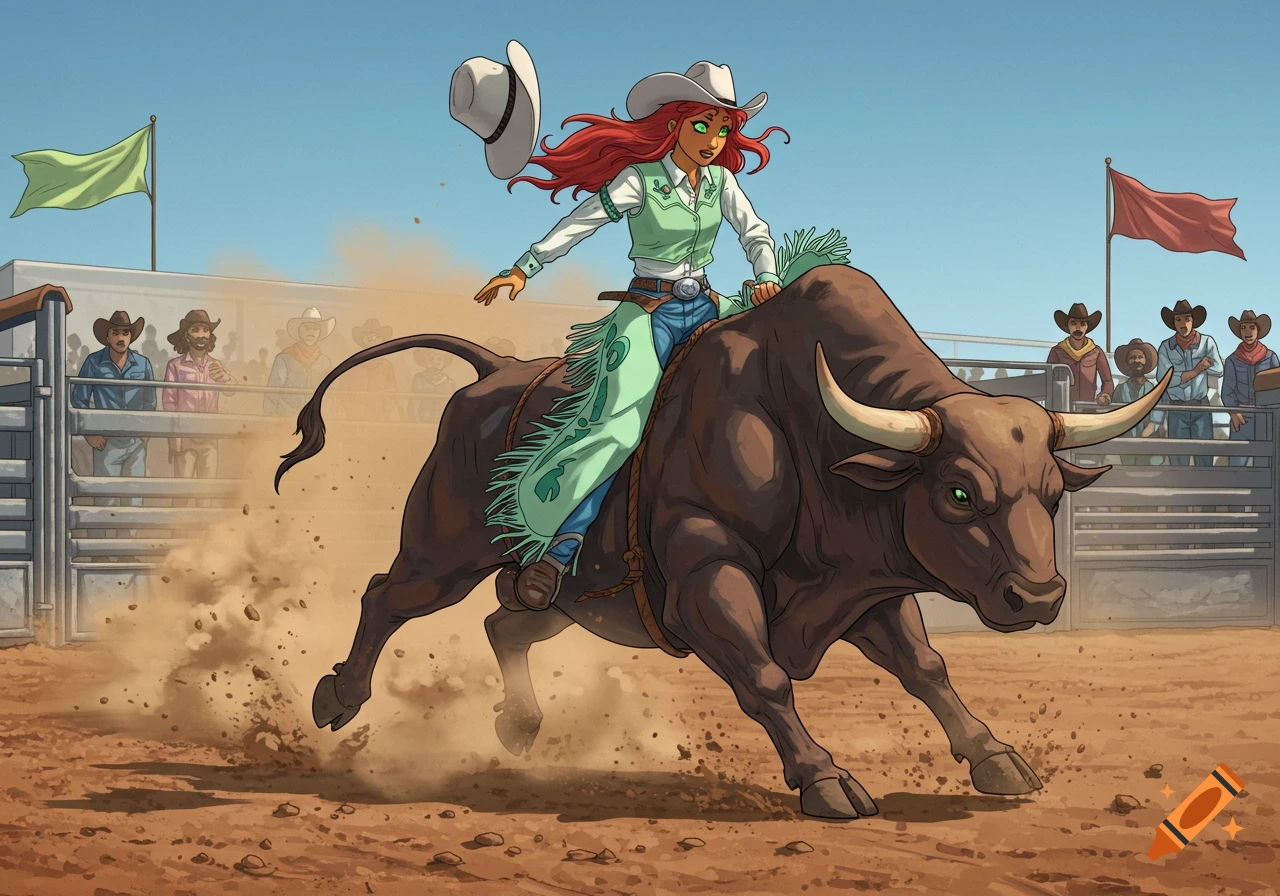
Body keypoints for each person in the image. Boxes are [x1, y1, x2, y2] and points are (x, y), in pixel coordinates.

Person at [473, 60, 842, 612]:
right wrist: (524, 267)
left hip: (712, 306)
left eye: (723, 128)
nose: (714, 140)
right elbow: (582, 222)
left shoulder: (722, 182)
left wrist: (765, 274)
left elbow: (756, 232)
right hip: (649, 314)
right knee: (620, 427)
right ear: (674, 123)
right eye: (703, 125)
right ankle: (560, 546)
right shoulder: (639, 180)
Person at [71, 311, 156, 549]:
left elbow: (150, 401)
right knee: (105, 499)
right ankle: (100, 550)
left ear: (131, 336)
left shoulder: (143, 363)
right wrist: (90, 433)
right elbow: (78, 398)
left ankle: (127, 549)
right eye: (116, 332)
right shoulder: (93, 362)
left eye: (125, 332)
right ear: (107, 336)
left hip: (135, 442)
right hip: (105, 442)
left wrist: (145, 433)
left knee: (133, 498)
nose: (121, 337)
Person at [163, 310, 236, 481]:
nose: (202, 335)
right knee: (182, 490)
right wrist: (174, 438)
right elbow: (169, 404)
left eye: (205, 330)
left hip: (209, 438)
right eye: (196, 330)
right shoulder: (175, 366)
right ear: (187, 336)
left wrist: (225, 378)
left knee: (207, 490)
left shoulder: (215, 365)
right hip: (185, 437)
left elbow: (231, 390)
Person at [1155, 299, 1224, 466]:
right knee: (1178, 457)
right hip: (1177, 408)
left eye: (1187, 318)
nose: (1183, 323)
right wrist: (1198, 369)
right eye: (1178, 319)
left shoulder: (1207, 342)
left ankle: (1203, 491)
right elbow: (1163, 379)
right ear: (1173, 323)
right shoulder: (1166, 346)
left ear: (1193, 320)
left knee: (1204, 455)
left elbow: (1219, 370)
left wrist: (1181, 376)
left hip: (1200, 406)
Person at [1221, 310, 1279, 467]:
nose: (1247, 332)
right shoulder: (1232, 360)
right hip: (1242, 415)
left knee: (1266, 462)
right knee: (1236, 462)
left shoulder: (1270, 357)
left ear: (1258, 330)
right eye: (1243, 328)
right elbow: (1227, 391)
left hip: (1267, 416)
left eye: (1251, 327)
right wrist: (1233, 412)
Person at [263, 308, 335, 417]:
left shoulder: (325, 362)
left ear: (320, 333)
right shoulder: (284, 358)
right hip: (286, 418)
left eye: (315, 329)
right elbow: (272, 392)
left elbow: (329, 393)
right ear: (299, 331)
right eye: (306, 328)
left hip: (314, 419)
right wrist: (270, 416)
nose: (310, 332)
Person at [1046, 303, 1113, 408]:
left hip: (1089, 409)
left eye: (1082, 324)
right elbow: (1047, 380)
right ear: (1068, 326)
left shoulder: (1096, 352)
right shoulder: (1057, 351)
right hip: (1062, 408)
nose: (1078, 327)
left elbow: (1107, 380)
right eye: (1073, 323)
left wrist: (1105, 394)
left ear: (1087, 327)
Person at [1111, 338, 1164, 465]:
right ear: (1127, 362)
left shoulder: (1154, 389)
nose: (1136, 361)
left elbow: (1157, 416)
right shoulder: (1119, 389)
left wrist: (1146, 433)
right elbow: (1114, 415)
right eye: (1132, 358)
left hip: (1149, 440)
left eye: (1140, 357)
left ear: (1146, 361)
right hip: (1125, 440)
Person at [340, 319, 400, 421]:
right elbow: (344, 388)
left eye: (376, 336)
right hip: (355, 415)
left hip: (379, 416)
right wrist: (349, 408)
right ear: (362, 340)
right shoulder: (352, 364)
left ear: (382, 340)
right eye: (368, 336)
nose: (372, 339)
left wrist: (385, 409)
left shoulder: (386, 366)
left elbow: (392, 391)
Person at [409, 350, 456, 424]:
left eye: (439, 359)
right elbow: (414, 403)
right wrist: (414, 420)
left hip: (441, 422)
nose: (435, 362)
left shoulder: (449, 382)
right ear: (425, 360)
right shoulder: (419, 378)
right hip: (422, 420)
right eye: (431, 359)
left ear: (445, 361)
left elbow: (452, 407)